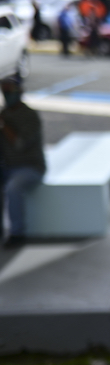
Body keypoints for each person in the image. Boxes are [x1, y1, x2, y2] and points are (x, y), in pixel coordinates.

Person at [0, 77, 45, 249]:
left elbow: (20, 144)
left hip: (30, 168)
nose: (6, 95)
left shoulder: (30, 116)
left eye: (9, 91)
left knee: (13, 187)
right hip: (7, 167)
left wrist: (4, 126)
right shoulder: (4, 114)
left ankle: (17, 233)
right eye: (4, 91)